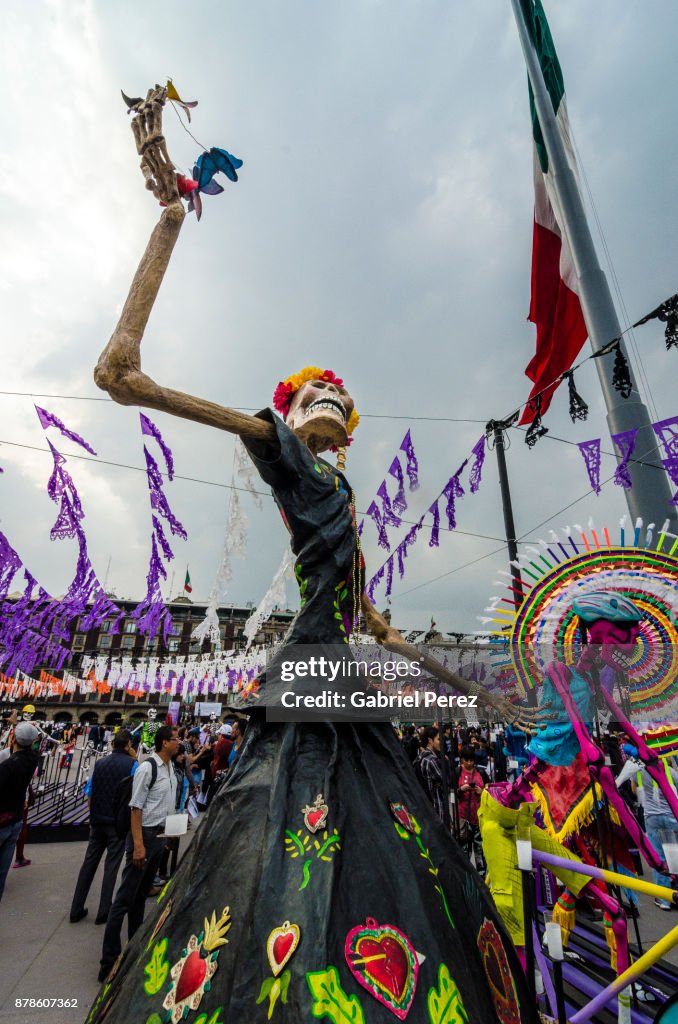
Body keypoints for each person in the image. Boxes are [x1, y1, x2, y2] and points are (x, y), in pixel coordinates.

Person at [89, 85, 539, 1023]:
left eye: (338, 395)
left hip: (341, 667)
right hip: (313, 672)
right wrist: (167, 235)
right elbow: (125, 379)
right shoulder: (287, 454)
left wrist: (434, 665)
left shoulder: (338, 488)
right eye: (314, 394)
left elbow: (361, 605)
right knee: (296, 821)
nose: (329, 399)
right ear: (297, 416)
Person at [99, 725, 179, 981]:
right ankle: (108, 961)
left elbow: (165, 805)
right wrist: (138, 845)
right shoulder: (148, 768)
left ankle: (134, 948)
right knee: (123, 899)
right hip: (142, 837)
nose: (179, 742)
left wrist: (166, 836)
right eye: (175, 739)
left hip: (158, 837)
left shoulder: (170, 769)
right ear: (164, 743)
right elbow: (136, 808)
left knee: (141, 897)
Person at [69, 729, 137, 925]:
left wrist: (94, 815)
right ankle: (103, 912)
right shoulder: (133, 765)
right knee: (111, 867)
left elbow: (89, 792)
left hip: (97, 822)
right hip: (116, 825)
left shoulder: (100, 764)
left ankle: (76, 909)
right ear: (128, 746)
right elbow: (135, 795)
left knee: (88, 865)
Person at [0, 722, 40, 901]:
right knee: (2, 871)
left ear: (14, 738)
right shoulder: (33, 758)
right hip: (16, 819)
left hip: (2, 820)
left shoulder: (7, 765)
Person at [457, 745, 486, 875]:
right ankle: (466, 876)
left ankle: (482, 876)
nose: (469, 763)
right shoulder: (457, 772)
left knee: (480, 849)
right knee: (465, 850)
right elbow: (451, 793)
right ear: (462, 759)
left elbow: (490, 791)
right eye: (466, 760)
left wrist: (482, 792)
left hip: (478, 817)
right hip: (463, 817)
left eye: (471, 760)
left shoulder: (481, 772)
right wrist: (461, 789)